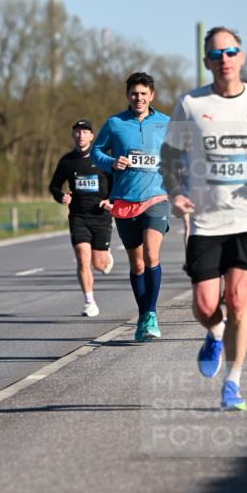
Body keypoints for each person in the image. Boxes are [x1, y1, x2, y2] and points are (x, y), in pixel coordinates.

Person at [160, 27, 247, 411]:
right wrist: (176, 192)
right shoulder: (191, 104)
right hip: (206, 218)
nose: (224, 59)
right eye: (216, 54)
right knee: (204, 306)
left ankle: (232, 382)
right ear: (206, 62)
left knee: (237, 299)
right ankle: (214, 333)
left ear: (241, 56)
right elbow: (169, 156)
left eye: (230, 52)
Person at [91, 73, 170, 341]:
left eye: (143, 93)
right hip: (125, 199)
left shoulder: (165, 123)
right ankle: (143, 315)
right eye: (134, 93)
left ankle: (150, 314)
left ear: (152, 96)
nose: (139, 98)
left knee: (151, 254)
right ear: (128, 96)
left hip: (156, 196)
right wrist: (111, 162)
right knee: (137, 265)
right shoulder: (115, 123)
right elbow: (96, 152)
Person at [49, 118, 113, 317]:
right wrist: (61, 196)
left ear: (92, 136)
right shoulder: (67, 161)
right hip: (78, 216)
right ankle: (89, 301)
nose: (80, 135)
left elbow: (119, 184)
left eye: (85, 132)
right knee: (82, 259)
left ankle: (106, 256)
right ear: (73, 136)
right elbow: (54, 185)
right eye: (77, 132)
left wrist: (111, 200)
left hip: (101, 216)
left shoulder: (103, 159)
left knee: (99, 264)